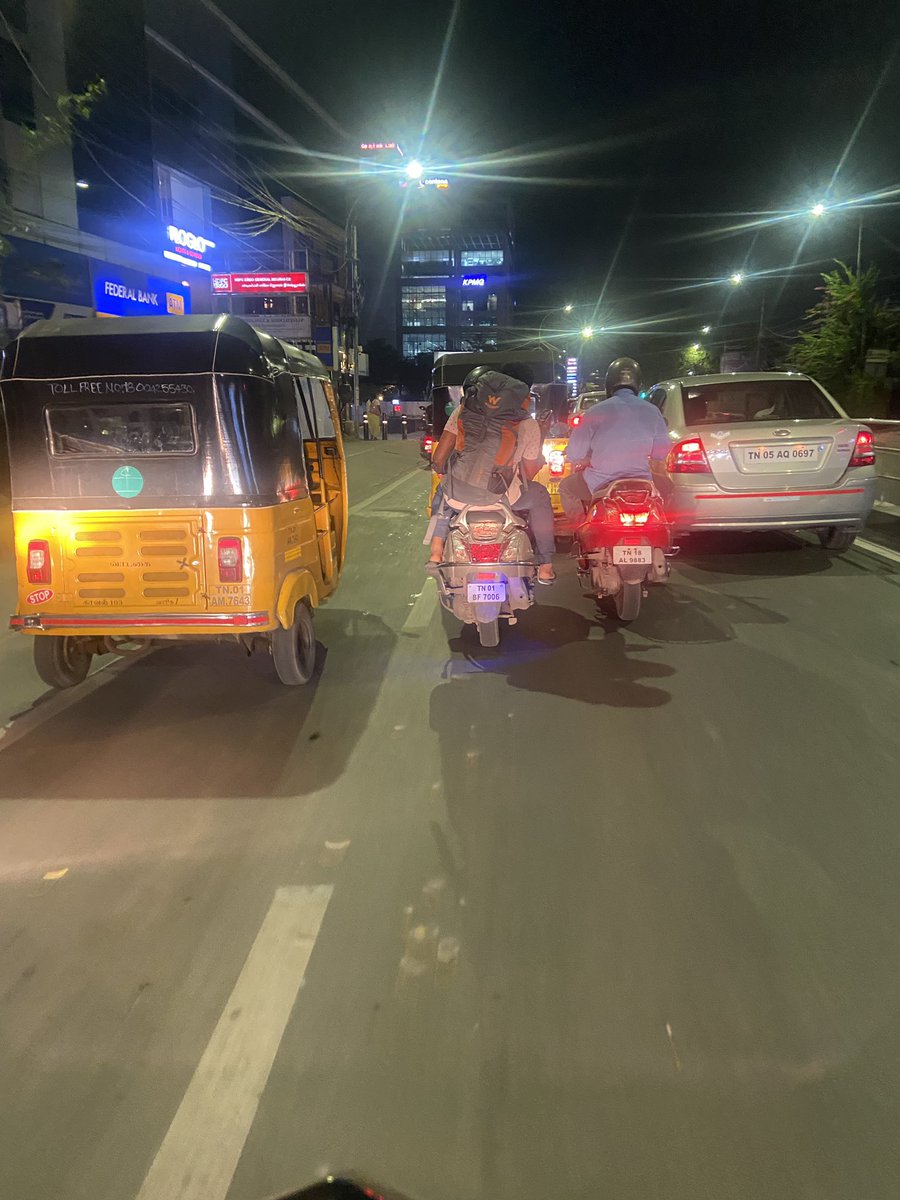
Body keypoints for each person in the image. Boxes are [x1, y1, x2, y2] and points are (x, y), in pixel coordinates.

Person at [428, 362, 557, 584]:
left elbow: (438, 461)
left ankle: (436, 550)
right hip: (503, 497)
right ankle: (545, 564)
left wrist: (444, 469)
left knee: (442, 490)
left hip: (457, 497)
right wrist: (541, 434)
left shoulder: (462, 411)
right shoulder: (528, 424)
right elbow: (528, 474)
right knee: (540, 495)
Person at [560, 356, 670, 524]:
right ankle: (664, 525)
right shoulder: (652, 411)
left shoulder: (595, 411)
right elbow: (660, 454)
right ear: (638, 383)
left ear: (609, 383)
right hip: (643, 482)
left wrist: (587, 459)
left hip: (599, 484)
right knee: (670, 487)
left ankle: (583, 528)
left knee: (566, 487)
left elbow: (574, 453)